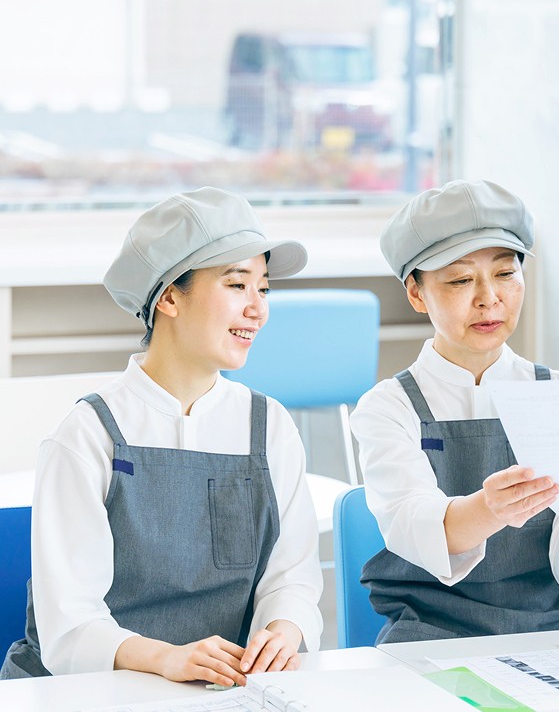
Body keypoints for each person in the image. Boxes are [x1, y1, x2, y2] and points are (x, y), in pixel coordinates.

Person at [0, 187, 323, 685]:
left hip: (217, 689)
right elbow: (68, 627)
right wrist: (166, 658)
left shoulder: (269, 425)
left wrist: (283, 627)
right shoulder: (88, 433)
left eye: (264, 288)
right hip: (89, 690)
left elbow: (292, 576)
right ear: (169, 296)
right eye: (237, 285)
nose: (257, 308)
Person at [351, 179, 559, 643]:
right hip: (437, 631)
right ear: (416, 294)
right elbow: (414, 527)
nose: (489, 298)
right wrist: (491, 507)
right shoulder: (388, 407)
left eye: (506, 274)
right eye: (461, 280)